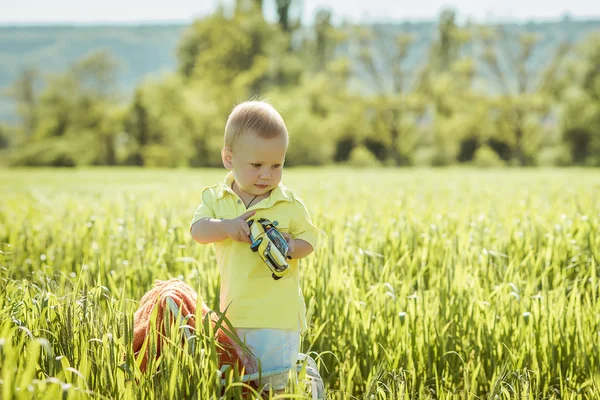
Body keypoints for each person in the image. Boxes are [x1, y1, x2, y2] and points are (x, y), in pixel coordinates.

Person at [189, 100, 320, 393]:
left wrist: (290, 245)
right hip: (233, 315)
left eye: (277, 165)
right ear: (228, 158)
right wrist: (226, 226)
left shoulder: (288, 203)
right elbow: (198, 230)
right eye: (257, 165)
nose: (266, 175)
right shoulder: (216, 199)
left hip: (278, 318)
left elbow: (310, 240)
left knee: (275, 387)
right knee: (238, 386)